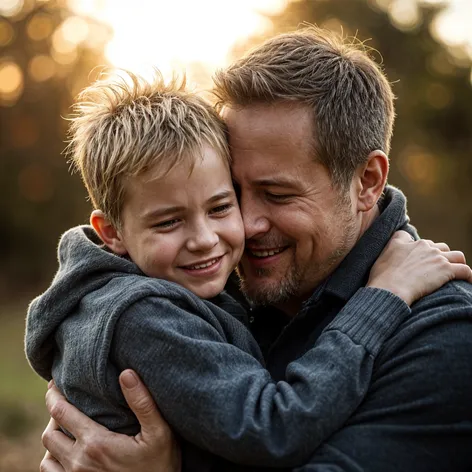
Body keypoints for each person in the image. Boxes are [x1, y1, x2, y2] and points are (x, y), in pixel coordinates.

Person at [39, 27, 472, 472]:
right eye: (235, 192)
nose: (242, 226)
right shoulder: (204, 290)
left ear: (367, 181)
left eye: (277, 194)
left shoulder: (445, 341)